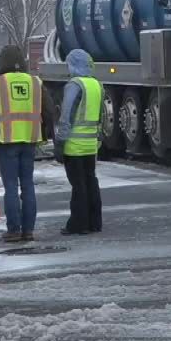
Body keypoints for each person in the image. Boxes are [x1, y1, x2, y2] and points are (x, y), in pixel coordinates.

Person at [0, 45, 55, 243]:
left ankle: (14, 230)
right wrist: (44, 133)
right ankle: (28, 230)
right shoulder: (36, 82)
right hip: (30, 140)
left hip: (7, 141)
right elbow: (49, 111)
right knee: (28, 185)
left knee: (11, 187)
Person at [55, 49, 103, 236]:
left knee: (78, 185)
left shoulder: (74, 85)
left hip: (74, 146)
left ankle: (78, 224)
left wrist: (60, 142)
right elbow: (100, 116)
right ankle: (95, 222)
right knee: (91, 181)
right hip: (90, 145)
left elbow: (66, 116)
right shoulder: (96, 85)